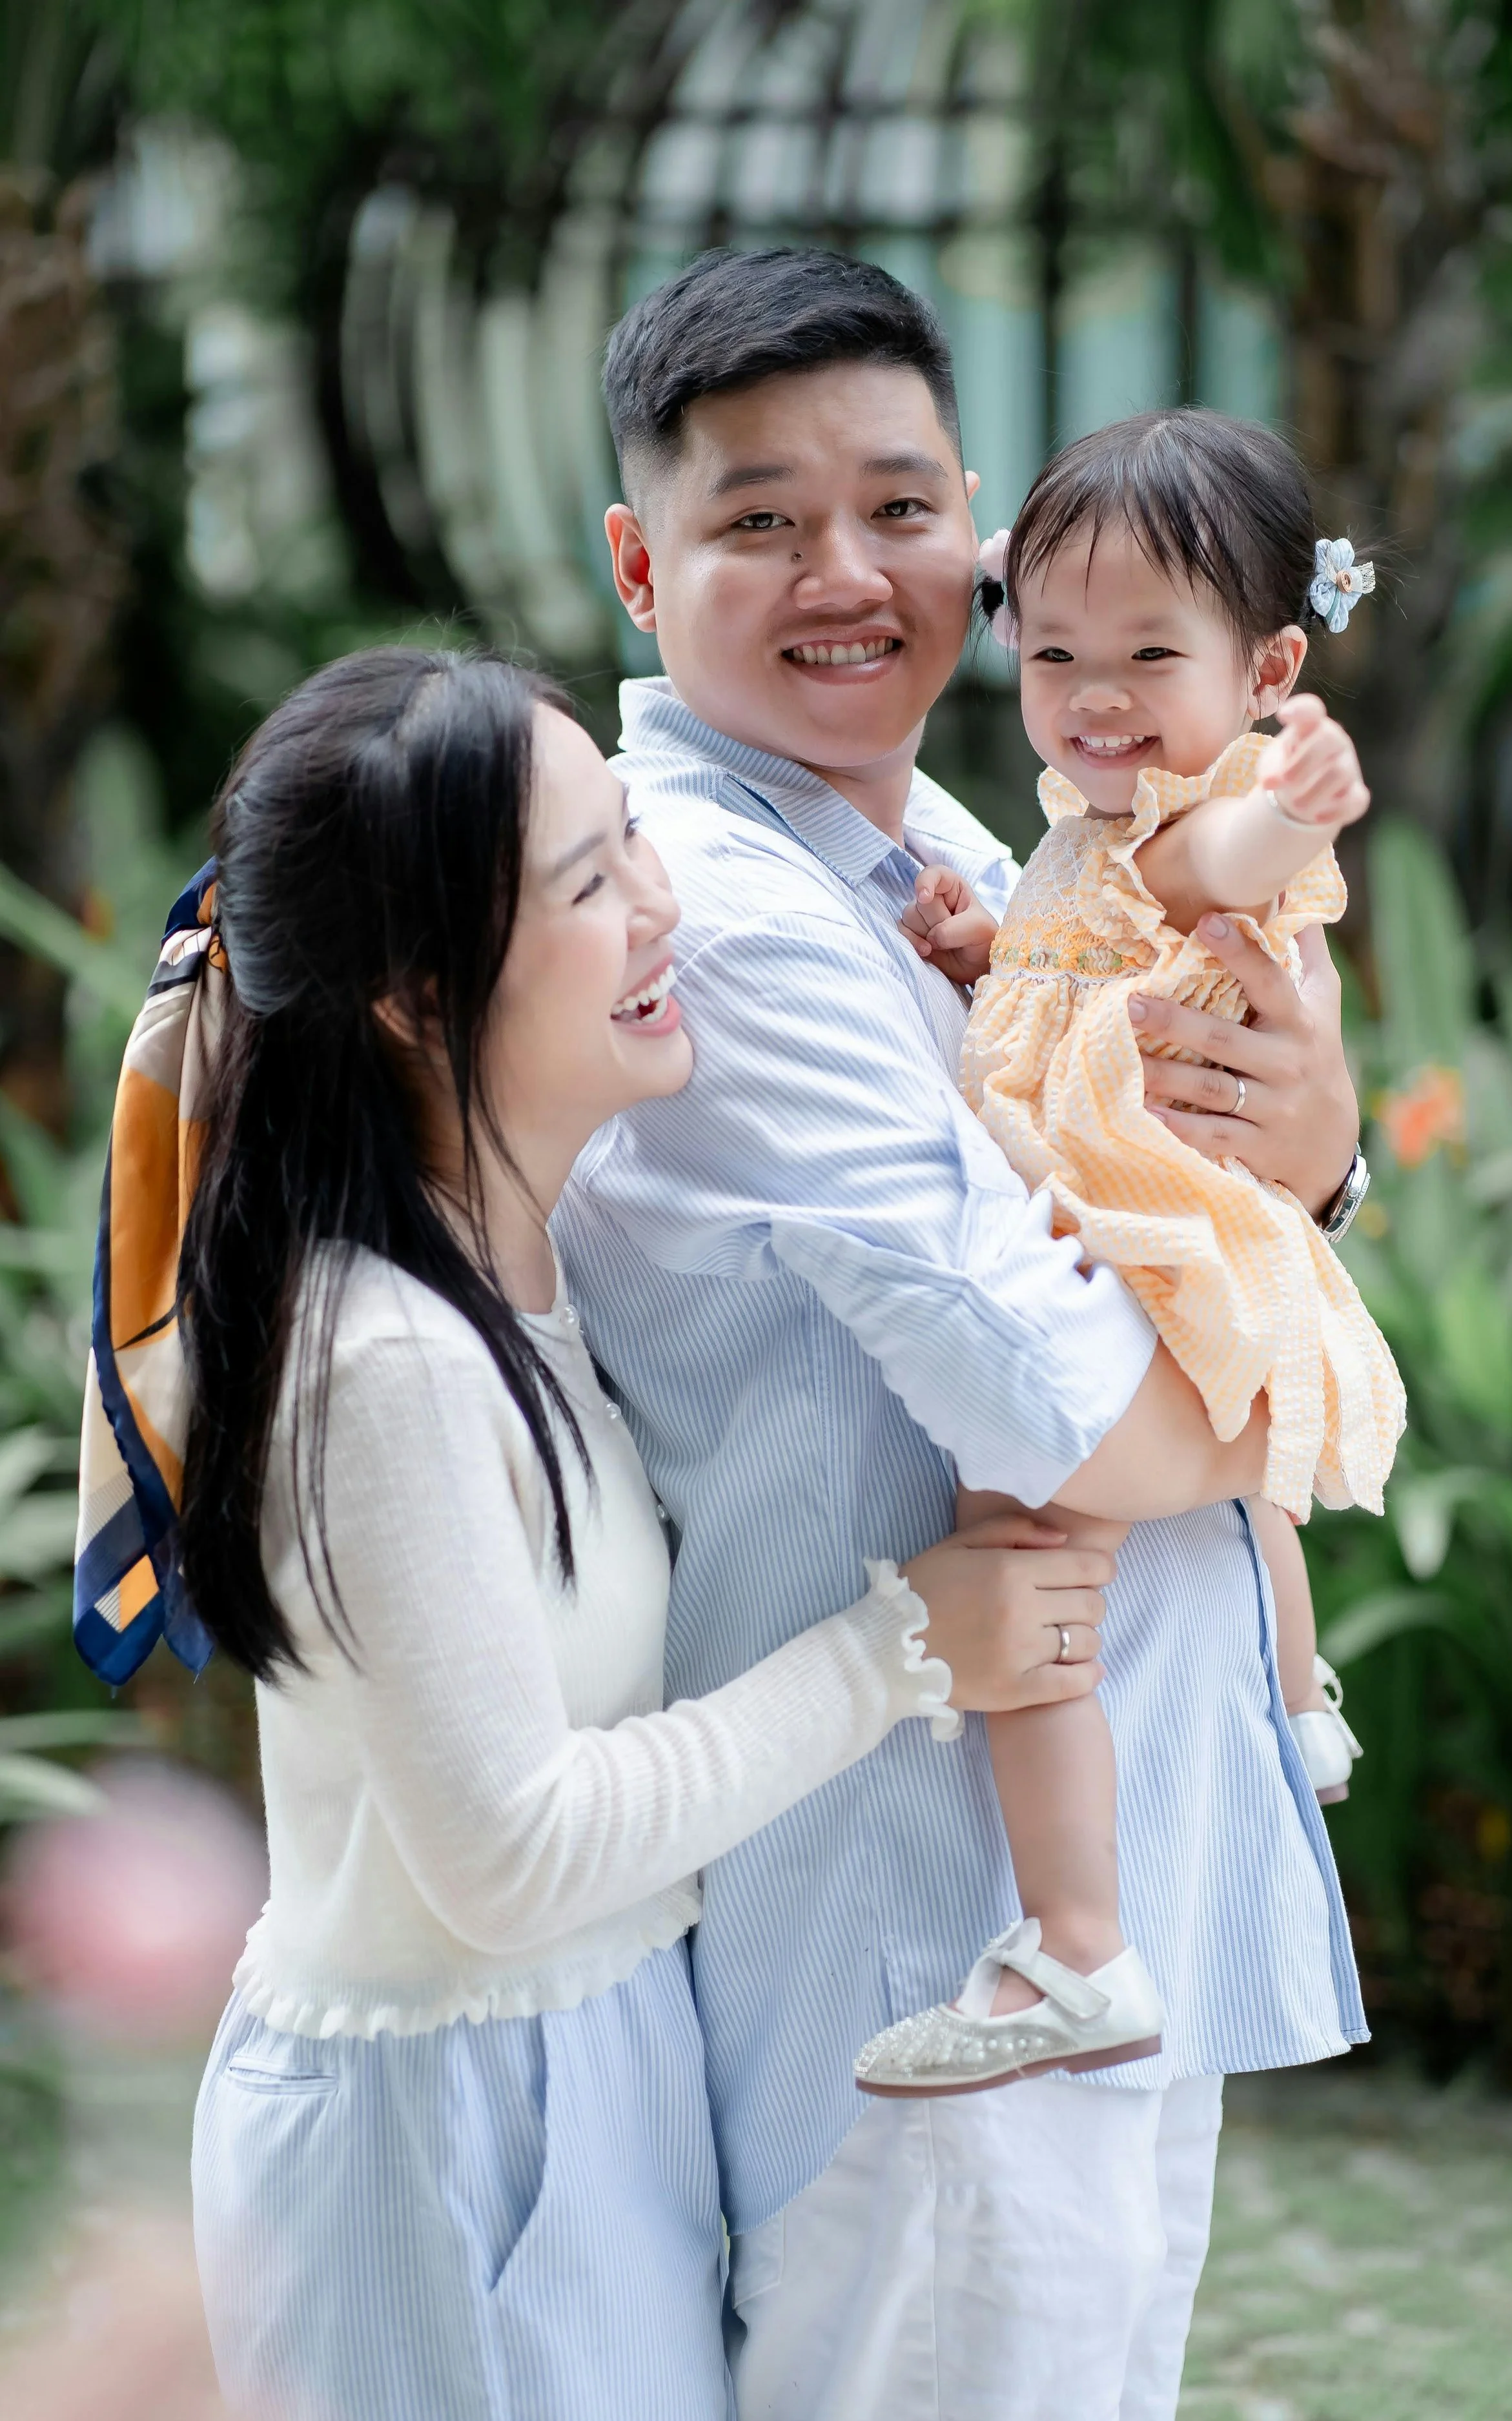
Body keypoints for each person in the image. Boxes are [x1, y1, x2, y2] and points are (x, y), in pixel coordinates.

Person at [74, 646, 1109, 2421]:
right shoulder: (385, 1355)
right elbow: (511, 1854)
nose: (661, 901)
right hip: (444, 2139)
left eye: (633, 835)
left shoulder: (536, 1248)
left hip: (579, 2070)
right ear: (413, 991)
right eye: (586, 880)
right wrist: (903, 1648)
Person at [556, 246, 1369, 2420]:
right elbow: (1068, 1416)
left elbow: (1156, 1153)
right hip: (921, 1933)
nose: (849, 575)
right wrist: (1299, 1380)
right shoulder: (714, 911)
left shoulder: (933, 838)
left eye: (900, 509)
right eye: (758, 522)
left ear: (979, 530)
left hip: (1067, 1923)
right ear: (641, 565)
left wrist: (1319, 1160)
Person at [857, 410, 1404, 2099]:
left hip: (1128, 1219)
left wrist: (1292, 812)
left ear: (1267, 667)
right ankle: (1293, 1695)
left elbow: (1211, 869)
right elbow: (1070, 948)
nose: (1095, 694)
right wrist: (986, 943)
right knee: (1247, 1469)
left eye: (1149, 653)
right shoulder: (1076, 833)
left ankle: (1074, 1939)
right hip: (1178, 1228)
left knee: (1018, 1536)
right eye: (1059, 651)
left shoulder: (1194, 814)